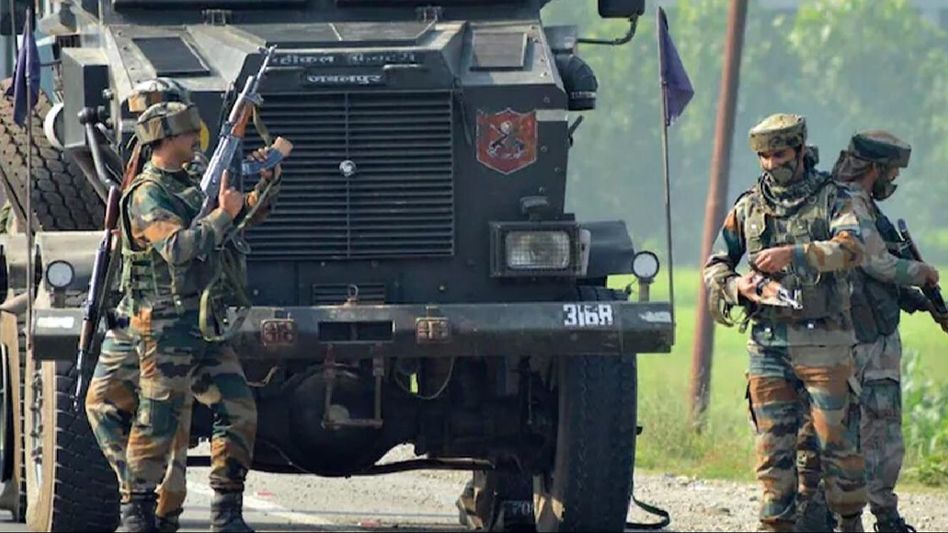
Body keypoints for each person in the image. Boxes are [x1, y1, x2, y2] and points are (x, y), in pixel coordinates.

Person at [85, 100, 278, 532]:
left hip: (204, 323)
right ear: (167, 139)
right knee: (157, 420)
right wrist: (222, 214)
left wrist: (263, 187)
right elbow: (177, 249)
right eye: (188, 134)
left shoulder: (194, 180)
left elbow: (244, 218)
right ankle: (137, 511)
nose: (196, 139)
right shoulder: (147, 193)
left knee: (239, 409)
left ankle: (226, 510)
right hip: (164, 328)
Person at [703, 113, 867, 532]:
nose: (772, 164)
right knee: (772, 455)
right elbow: (714, 265)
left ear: (799, 151)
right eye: (764, 156)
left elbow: (851, 249)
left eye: (779, 154)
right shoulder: (749, 206)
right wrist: (740, 285)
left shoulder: (833, 198)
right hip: (767, 345)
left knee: (838, 449)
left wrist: (794, 254)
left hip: (825, 344)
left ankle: (849, 522)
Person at [795, 130, 945, 533]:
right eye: (891, 172)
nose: (892, 181)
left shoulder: (833, 198)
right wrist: (921, 273)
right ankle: (878, 516)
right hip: (863, 340)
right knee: (876, 428)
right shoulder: (851, 203)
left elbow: (876, 279)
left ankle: (842, 515)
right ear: (874, 168)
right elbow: (874, 264)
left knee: (843, 429)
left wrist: (918, 300)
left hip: (844, 334)